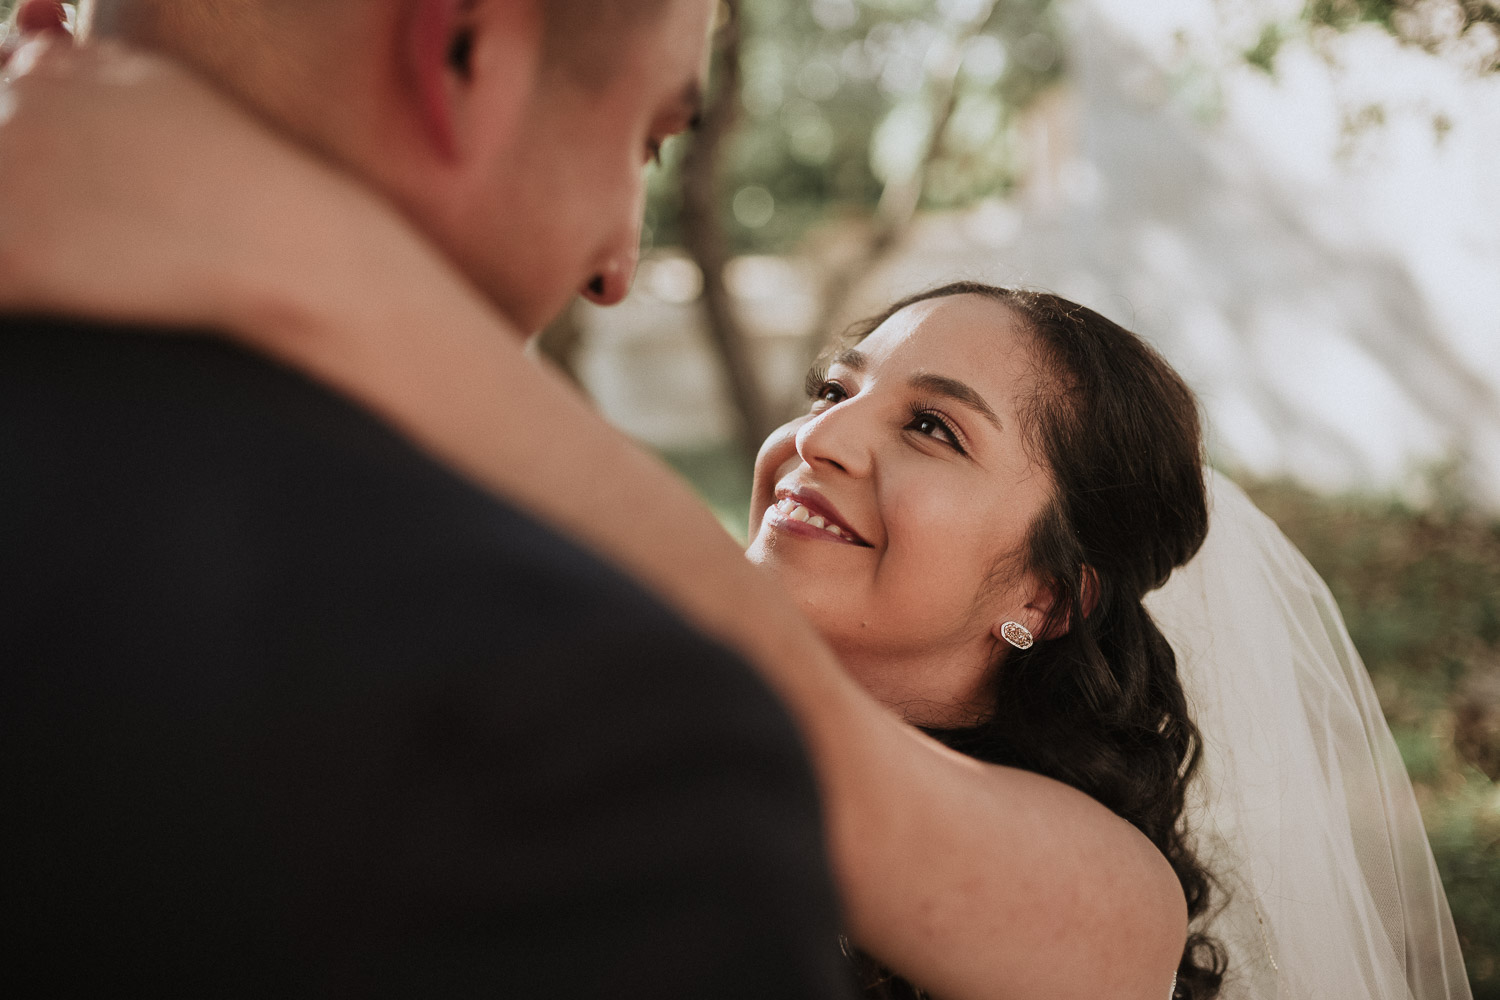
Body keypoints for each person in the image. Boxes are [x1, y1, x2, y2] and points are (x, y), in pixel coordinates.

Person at [0, 6, 1189, 1000]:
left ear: (1048, 589)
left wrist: (301, 257)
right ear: (462, 55)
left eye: (932, 427)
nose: (817, 437)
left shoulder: (1066, 876)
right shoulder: (596, 735)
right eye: (832, 386)